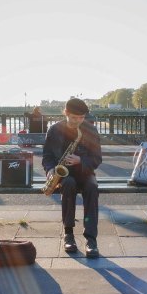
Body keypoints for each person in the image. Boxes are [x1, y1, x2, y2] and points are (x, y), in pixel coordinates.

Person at [42, 98, 102, 258]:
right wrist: (50, 170)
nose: (78, 121)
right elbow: (47, 156)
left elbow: (97, 158)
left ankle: (91, 239)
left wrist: (81, 160)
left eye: (81, 118)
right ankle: (68, 234)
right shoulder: (54, 130)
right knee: (68, 184)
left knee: (92, 187)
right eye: (74, 118)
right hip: (64, 174)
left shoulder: (90, 130)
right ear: (66, 113)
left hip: (85, 172)